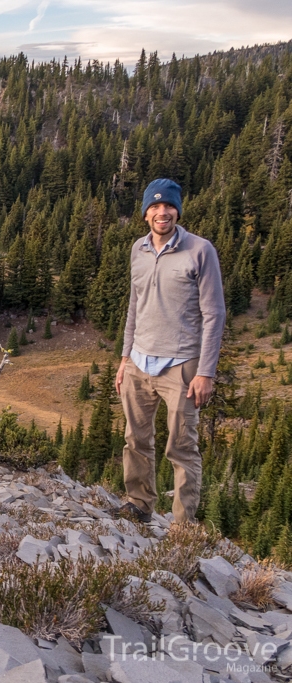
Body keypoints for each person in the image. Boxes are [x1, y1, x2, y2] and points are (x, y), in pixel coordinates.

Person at [113, 178, 225, 524]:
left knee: (181, 447)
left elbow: (214, 313)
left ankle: (182, 525)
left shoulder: (200, 250)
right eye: (155, 207)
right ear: (146, 213)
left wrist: (205, 372)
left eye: (169, 206)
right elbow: (135, 305)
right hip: (139, 361)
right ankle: (138, 503)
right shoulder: (138, 250)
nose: (162, 213)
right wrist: (124, 358)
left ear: (177, 210)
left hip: (181, 365)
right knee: (136, 439)